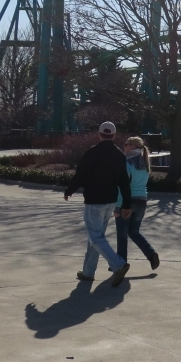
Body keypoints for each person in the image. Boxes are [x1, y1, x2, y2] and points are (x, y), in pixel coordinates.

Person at [64, 121, 132, 287]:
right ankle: (88, 272)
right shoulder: (119, 155)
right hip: (110, 201)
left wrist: (69, 189)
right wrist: (127, 204)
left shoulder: (92, 152)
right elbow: (124, 181)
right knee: (96, 237)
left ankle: (118, 264)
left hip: (94, 200)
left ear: (99, 134)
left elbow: (80, 174)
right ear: (114, 135)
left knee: (95, 237)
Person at [114, 136, 160, 270]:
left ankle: (120, 264)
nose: (124, 146)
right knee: (134, 231)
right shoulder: (144, 164)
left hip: (127, 202)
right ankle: (151, 253)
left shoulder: (126, 163)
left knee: (122, 234)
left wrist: (118, 206)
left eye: (126, 144)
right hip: (142, 200)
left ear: (132, 147)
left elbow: (122, 187)